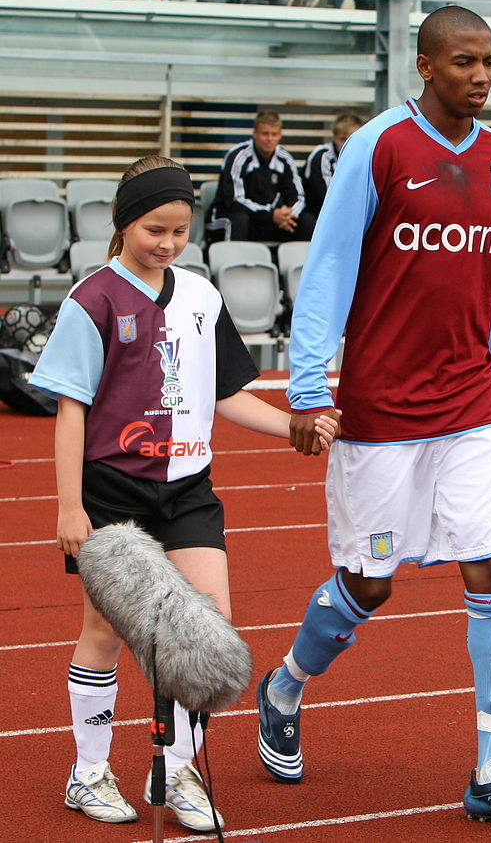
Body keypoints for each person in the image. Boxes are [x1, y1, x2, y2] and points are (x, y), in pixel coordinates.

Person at [255, 6, 491, 833]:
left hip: (468, 406)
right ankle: (284, 685)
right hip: (382, 408)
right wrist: (310, 387)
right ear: (426, 66)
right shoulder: (379, 147)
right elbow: (326, 267)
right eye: (465, 61)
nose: (482, 75)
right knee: (370, 583)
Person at [28, 155, 339, 832]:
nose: (167, 242)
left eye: (178, 229)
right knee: (107, 630)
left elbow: (228, 393)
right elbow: (70, 411)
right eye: (152, 228)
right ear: (123, 223)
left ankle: (178, 767)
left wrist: (292, 424)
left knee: (207, 632)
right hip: (111, 491)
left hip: (188, 487)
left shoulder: (202, 296)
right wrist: (69, 506)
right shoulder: (94, 301)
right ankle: (88, 772)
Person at [209, 111, 316, 243]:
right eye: (265, 134)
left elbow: (298, 197)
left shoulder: (284, 158)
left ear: (280, 135)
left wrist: (288, 215)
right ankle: (233, 261)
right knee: (240, 219)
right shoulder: (238, 156)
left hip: (268, 219)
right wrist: (271, 215)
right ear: (255, 134)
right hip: (228, 217)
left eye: (274, 134)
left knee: (306, 221)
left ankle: (303, 263)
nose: (270, 139)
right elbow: (236, 200)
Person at [302, 113, 363, 219]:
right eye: (343, 139)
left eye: (352, 139)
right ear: (334, 137)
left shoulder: (363, 157)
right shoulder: (322, 155)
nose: (347, 144)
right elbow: (327, 198)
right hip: (317, 215)